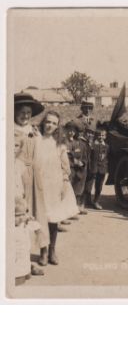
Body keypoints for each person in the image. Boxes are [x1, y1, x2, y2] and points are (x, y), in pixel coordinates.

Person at [34, 111, 79, 265]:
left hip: (55, 185)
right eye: (48, 122)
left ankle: (52, 250)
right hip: (39, 184)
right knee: (41, 218)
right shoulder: (36, 139)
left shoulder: (59, 143)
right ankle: (43, 251)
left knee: (53, 219)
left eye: (53, 123)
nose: (50, 125)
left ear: (57, 126)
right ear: (43, 122)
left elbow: (65, 167)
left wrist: (64, 184)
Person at [14, 93, 50, 267]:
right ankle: (24, 260)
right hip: (16, 176)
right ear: (15, 112)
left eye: (28, 112)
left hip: (35, 176)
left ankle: (44, 250)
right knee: (20, 216)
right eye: (22, 112)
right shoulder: (9, 130)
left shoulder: (35, 131)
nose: (25, 116)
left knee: (39, 212)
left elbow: (41, 155)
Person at [15, 136, 44, 278]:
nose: (13, 149)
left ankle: (25, 266)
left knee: (23, 236)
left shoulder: (19, 164)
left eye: (16, 146)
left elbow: (24, 183)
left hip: (19, 202)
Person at [64, 121, 89, 215]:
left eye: (73, 131)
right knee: (67, 190)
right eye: (69, 130)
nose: (71, 133)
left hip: (78, 170)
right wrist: (74, 161)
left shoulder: (80, 143)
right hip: (68, 169)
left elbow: (84, 157)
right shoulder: (63, 142)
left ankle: (75, 208)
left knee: (77, 189)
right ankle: (66, 210)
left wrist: (82, 163)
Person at [89, 126, 109, 210]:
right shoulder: (92, 145)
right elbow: (89, 156)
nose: (101, 137)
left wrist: (105, 167)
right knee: (88, 185)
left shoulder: (107, 146)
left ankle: (96, 201)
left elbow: (107, 157)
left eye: (103, 135)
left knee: (99, 186)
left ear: (105, 136)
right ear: (96, 136)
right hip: (93, 168)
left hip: (102, 169)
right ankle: (86, 200)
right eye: (99, 135)